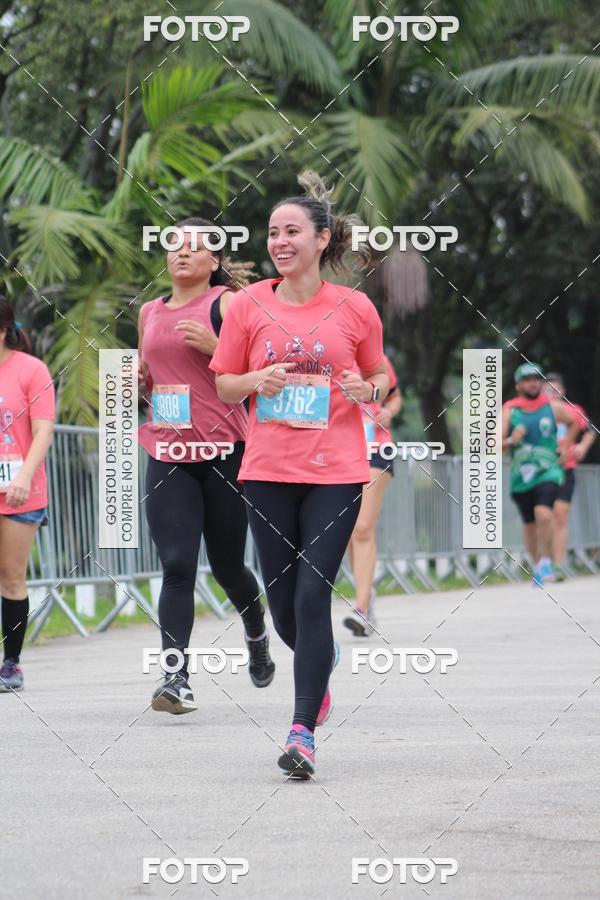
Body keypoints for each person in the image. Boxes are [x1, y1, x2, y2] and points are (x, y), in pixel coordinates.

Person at [210, 172, 390, 778]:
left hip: (336, 471)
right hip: (265, 472)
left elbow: (380, 374)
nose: (279, 241)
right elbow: (223, 381)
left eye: (291, 231)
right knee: (285, 607)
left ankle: (301, 731)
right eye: (272, 233)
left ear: (321, 239)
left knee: (314, 595)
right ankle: (324, 659)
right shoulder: (247, 305)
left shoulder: (354, 306)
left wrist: (367, 389)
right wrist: (255, 383)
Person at [138, 218, 275, 716]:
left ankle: (256, 630)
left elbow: (263, 368)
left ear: (214, 261)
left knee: (226, 566)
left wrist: (216, 349)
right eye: (174, 245)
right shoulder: (150, 311)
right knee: (176, 565)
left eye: (195, 248)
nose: (181, 254)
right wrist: (139, 382)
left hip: (223, 453)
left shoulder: (228, 305)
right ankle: (176, 677)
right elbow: (152, 373)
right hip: (167, 452)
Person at [0, 297, 55, 692]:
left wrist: (23, 477)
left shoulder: (30, 370)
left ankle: (12, 663)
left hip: (20, 492)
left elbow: (43, 431)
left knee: (11, 577)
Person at [502, 363, 577, 587]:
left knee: (544, 513)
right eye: (527, 379)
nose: (533, 382)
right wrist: (512, 440)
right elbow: (493, 443)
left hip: (549, 471)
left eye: (536, 378)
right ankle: (538, 566)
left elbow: (574, 423)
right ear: (518, 385)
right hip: (521, 477)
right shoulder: (510, 410)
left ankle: (547, 561)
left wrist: (565, 448)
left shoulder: (552, 407)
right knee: (530, 525)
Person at [344, 354, 401, 636]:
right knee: (348, 533)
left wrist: (389, 412)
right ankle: (366, 595)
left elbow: (394, 396)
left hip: (376, 448)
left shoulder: (376, 358)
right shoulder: (321, 353)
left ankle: (363, 609)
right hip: (337, 453)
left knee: (363, 527)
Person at [544, 372, 596, 573]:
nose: (552, 393)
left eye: (555, 389)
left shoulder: (573, 410)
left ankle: (557, 564)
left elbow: (591, 430)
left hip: (566, 469)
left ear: (562, 391)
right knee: (543, 517)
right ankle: (544, 563)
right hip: (541, 472)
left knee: (560, 516)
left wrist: (582, 447)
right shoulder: (536, 412)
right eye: (547, 389)